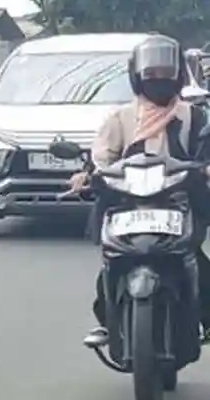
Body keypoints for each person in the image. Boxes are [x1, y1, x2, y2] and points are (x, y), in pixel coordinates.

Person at [76, 35, 210, 348]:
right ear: (137, 77)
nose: (159, 81)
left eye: (166, 74)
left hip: (180, 203)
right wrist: (87, 175)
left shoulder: (196, 117)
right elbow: (101, 157)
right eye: (152, 75)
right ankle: (109, 322)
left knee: (196, 261)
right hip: (128, 204)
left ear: (178, 76)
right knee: (114, 260)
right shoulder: (120, 118)